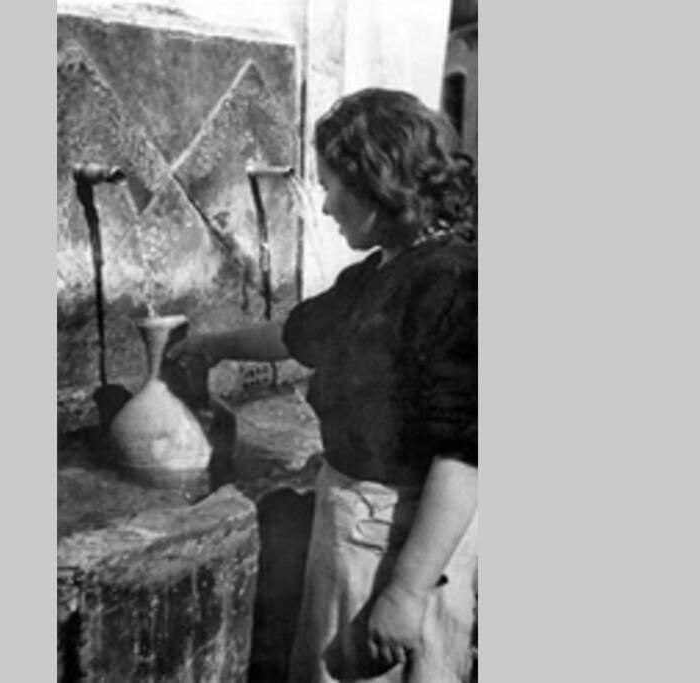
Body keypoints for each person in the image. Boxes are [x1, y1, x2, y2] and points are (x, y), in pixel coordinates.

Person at [168, 88, 478, 683]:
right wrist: (213, 345)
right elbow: (297, 334)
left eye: (333, 186)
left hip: (403, 547)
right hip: (354, 528)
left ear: (377, 183)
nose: (328, 205)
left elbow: (465, 457)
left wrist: (406, 592)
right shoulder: (378, 273)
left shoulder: (454, 284)